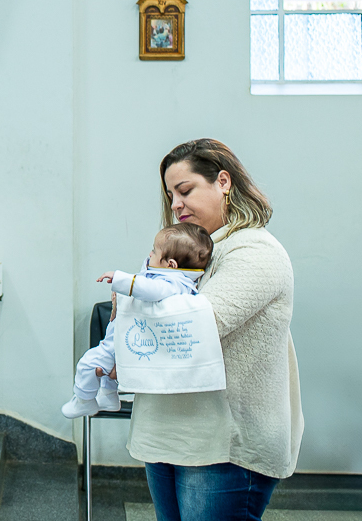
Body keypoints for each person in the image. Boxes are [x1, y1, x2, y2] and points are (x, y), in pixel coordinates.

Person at [117, 139, 303, 521]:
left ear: (223, 181)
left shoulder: (254, 251)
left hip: (224, 445)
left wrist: (136, 298)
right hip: (168, 430)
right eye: (171, 195)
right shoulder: (190, 251)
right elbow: (132, 309)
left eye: (185, 190)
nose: (175, 204)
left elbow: (191, 328)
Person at [61, 223, 212, 418]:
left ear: (171, 264)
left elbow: (149, 289)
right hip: (123, 338)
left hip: (128, 339)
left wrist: (120, 279)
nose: (149, 255)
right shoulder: (177, 279)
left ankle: (84, 401)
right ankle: (108, 397)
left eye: (154, 251)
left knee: (87, 364)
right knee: (105, 368)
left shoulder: (172, 283)